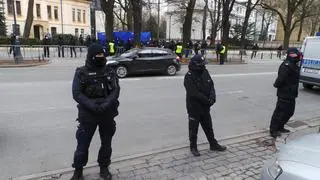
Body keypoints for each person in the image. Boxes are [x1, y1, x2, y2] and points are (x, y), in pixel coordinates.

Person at [71, 43, 120, 180]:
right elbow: (76, 93)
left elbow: (116, 90)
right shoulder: (81, 72)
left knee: (106, 144)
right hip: (88, 115)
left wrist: (106, 104)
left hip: (107, 113)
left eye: (102, 55)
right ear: (90, 56)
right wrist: (92, 105)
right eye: (97, 56)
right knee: (82, 145)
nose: (100, 57)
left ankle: (104, 168)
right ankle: (78, 170)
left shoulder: (109, 71)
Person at [184, 54, 227, 156]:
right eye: (202, 64)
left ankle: (213, 144)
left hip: (205, 107)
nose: (204, 66)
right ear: (196, 65)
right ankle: (193, 147)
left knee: (208, 127)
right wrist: (207, 101)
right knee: (193, 129)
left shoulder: (205, 72)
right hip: (194, 107)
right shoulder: (189, 76)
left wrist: (212, 97)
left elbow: (211, 85)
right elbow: (194, 93)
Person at [269, 47, 301, 138]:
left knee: (290, 112)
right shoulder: (286, 65)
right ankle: (273, 130)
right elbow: (280, 79)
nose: (298, 55)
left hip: (292, 94)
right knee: (279, 113)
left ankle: (280, 126)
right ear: (291, 54)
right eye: (296, 54)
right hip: (284, 93)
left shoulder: (294, 64)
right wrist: (277, 85)